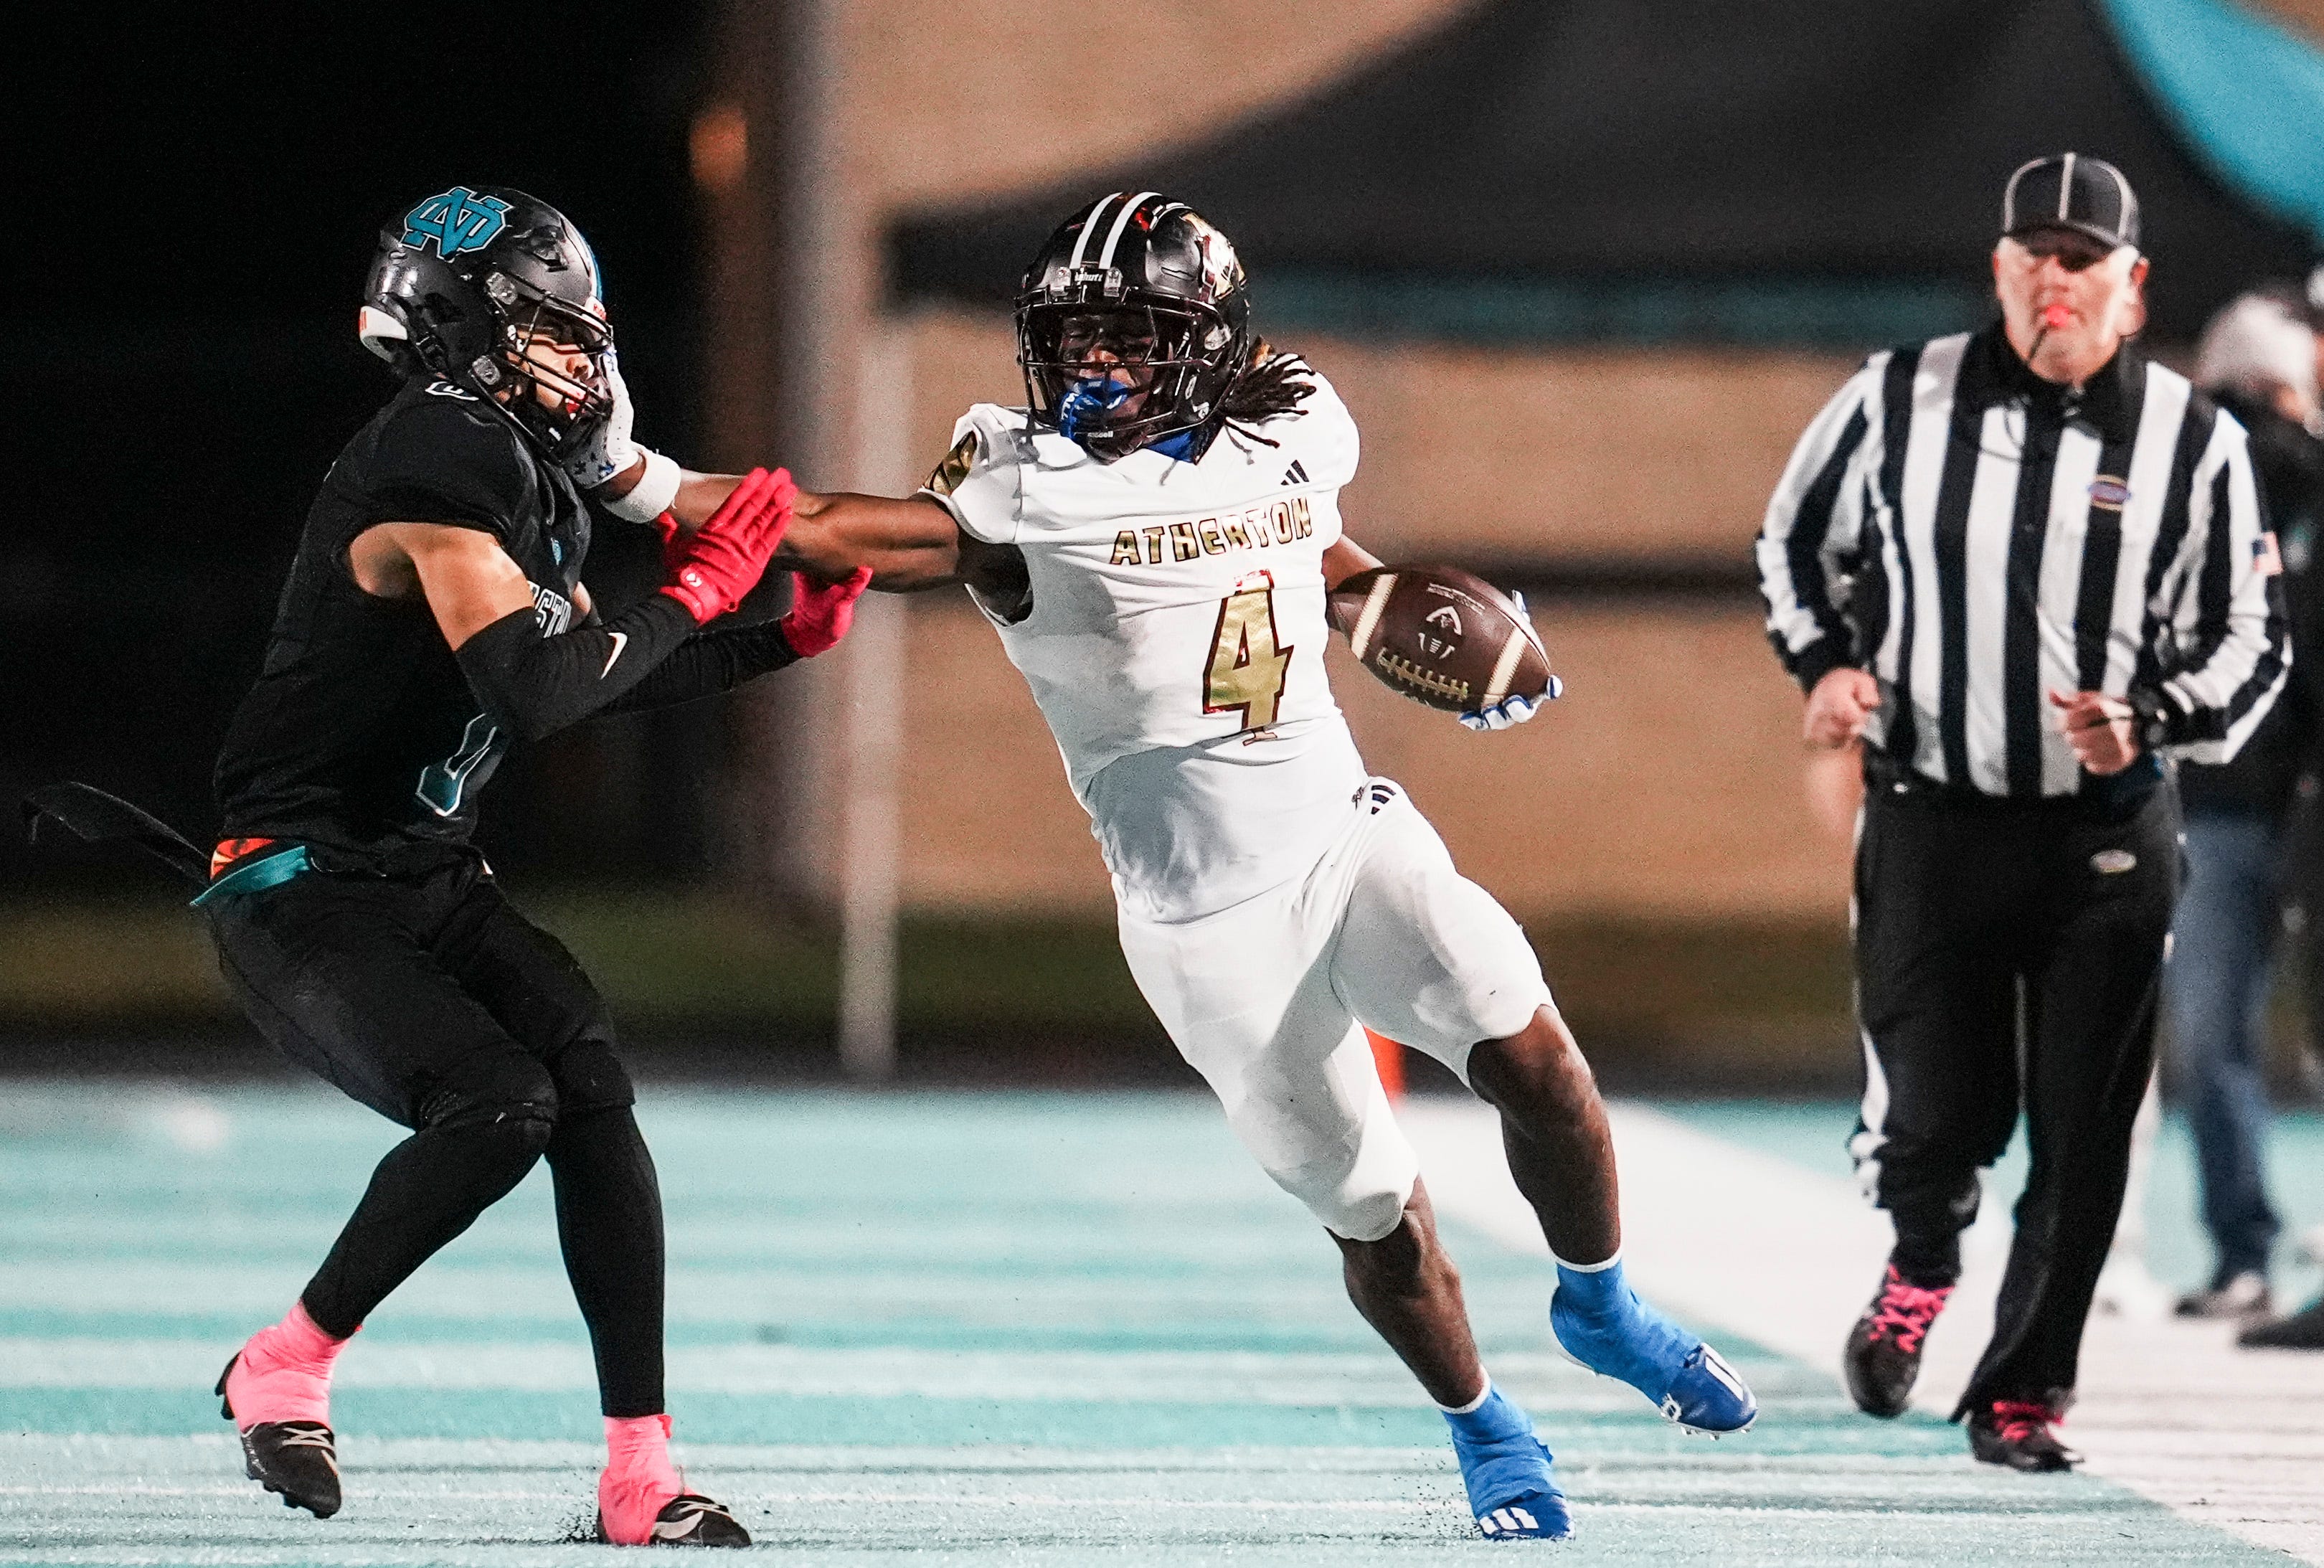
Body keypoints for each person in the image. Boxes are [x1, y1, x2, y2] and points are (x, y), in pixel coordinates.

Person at [745, 192, 1756, 1543]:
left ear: (1208, 346)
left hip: (1348, 835)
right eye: (1077, 340)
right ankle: (1486, 1426)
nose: (1095, 366)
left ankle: (1602, 1302)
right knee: (1374, 1210)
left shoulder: (1287, 430)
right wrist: (626, 471)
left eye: (1132, 339)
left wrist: (1400, 615)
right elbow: (824, 525)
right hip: (1204, 927)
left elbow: (1316, 558)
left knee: (1541, 1061)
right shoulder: (1020, 491)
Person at [201, 185, 868, 1545]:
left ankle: (640, 1470)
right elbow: (539, 690)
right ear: (462, 330)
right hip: (303, 882)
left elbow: (572, 674)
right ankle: (289, 1357)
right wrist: (695, 593)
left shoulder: (513, 468)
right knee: (498, 1102)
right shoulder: (436, 457)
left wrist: (764, 643)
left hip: (421, 870)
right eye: (554, 335)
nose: (585, 363)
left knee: (587, 1077)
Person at [1757, 154, 2286, 1470]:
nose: (2056, 276)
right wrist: (1825, 663)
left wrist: (2152, 713)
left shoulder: (2194, 439)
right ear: (2000, 268)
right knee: (1936, 1111)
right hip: (1933, 810)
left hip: (2104, 829)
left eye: (2082, 256)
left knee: (2084, 1128)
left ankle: (2021, 1391)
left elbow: (2249, 634)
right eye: (2033, 253)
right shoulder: (1895, 398)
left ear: (2132, 283)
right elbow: (1790, 543)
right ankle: (1923, 1253)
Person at [2165, 294, 2324, 1323]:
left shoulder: (2176, 477)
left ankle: (2245, 1252)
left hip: (2222, 799)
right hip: (2294, 799)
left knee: (2213, 1036)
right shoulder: (2294, 471)